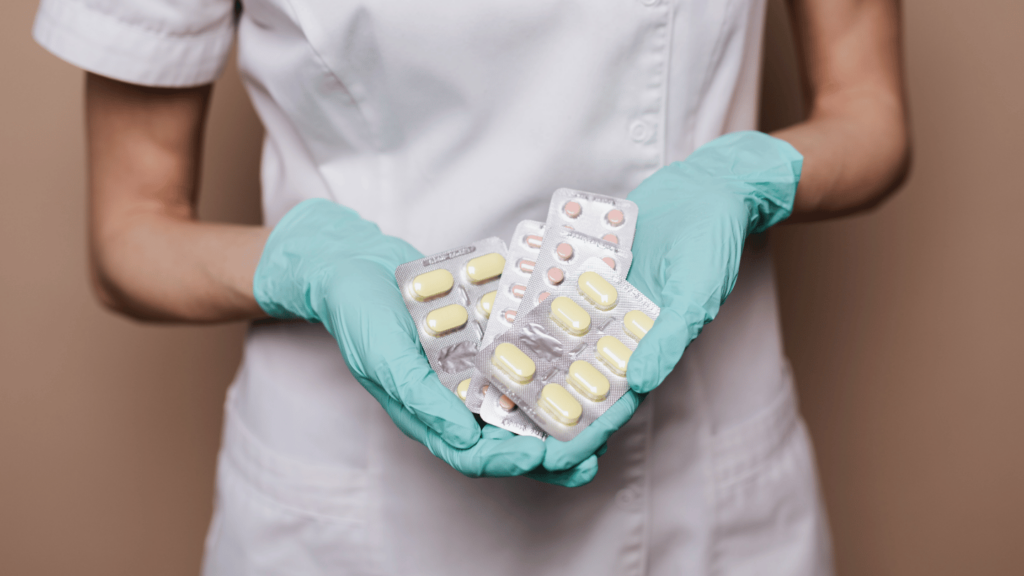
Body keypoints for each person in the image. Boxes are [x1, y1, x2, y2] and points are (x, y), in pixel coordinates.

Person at [34, 0, 909, 573]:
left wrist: (740, 178)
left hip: (702, 493)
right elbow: (128, 234)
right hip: (349, 509)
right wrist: (306, 263)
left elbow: (870, 115)